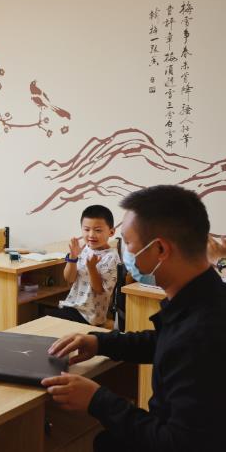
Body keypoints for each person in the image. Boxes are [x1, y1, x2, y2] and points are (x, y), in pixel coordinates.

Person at [42, 185, 226, 452]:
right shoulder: (205, 295)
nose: (125, 253)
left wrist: (97, 399)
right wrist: (99, 342)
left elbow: (178, 443)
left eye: (128, 243)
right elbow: (163, 341)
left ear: (160, 249)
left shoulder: (203, 333)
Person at [49, 205, 119, 326]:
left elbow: (99, 290)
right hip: (72, 306)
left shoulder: (112, 257)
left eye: (98, 230)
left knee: (48, 323)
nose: (91, 234)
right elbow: (69, 279)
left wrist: (92, 268)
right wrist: (73, 258)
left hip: (89, 315)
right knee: (44, 320)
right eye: (87, 229)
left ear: (111, 232)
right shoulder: (85, 248)